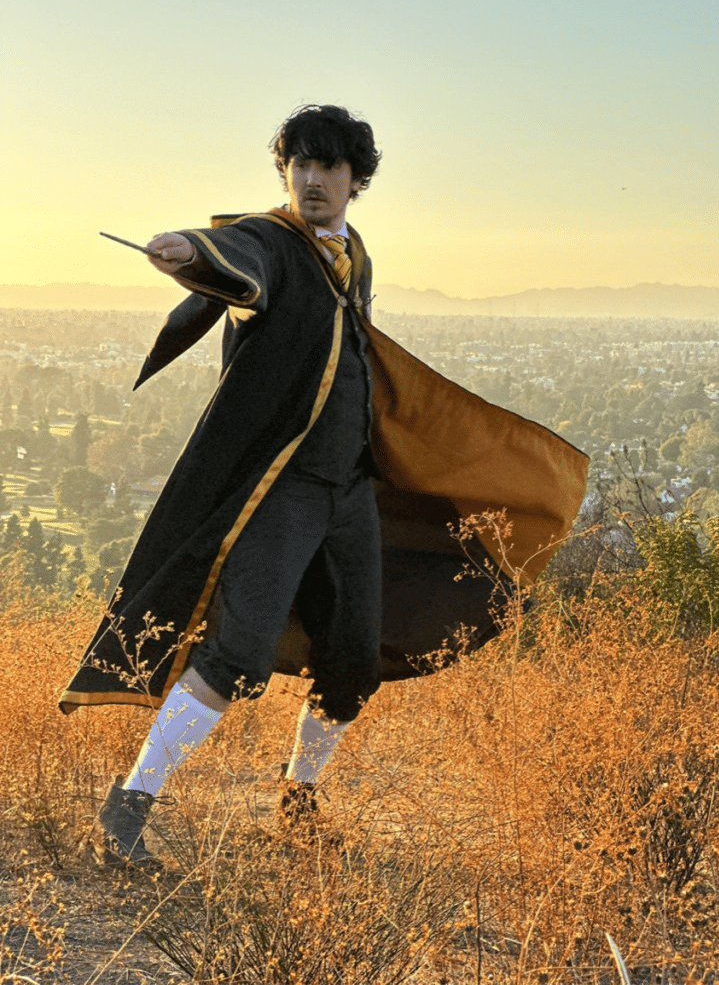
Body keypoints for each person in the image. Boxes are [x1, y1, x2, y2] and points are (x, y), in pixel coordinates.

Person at [60, 104, 590, 867]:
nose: (311, 179)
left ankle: (298, 800)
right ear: (285, 172)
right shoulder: (270, 243)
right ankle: (127, 808)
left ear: (354, 179)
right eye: (299, 165)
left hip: (350, 491)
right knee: (233, 656)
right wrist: (187, 251)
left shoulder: (355, 254)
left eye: (327, 167)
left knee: (351, 657)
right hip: (281, 491)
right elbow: (235, 262)